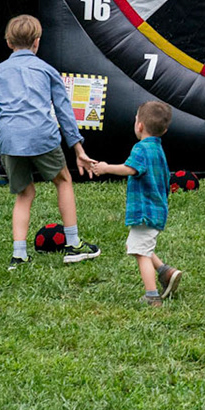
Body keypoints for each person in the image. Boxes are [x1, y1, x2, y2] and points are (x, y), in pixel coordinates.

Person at [0, 14, 101, 268]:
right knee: (63, 180)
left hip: (10, 140)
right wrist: (78, 148)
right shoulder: (47, 70)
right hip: (43, 135)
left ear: (9, 43)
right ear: (37, 42)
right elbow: (64, 111)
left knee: (24, 193)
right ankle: (74, 244)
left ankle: (19, 255)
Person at [84, 100, 181, 304]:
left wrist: (105, 167)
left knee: (140, 252)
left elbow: (130, 169)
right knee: (136, 245)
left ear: (140, 126)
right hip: (155, 209)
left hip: (145, 211)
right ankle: (165, 272)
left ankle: (152, 296)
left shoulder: (141, 148)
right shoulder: (157, 149)